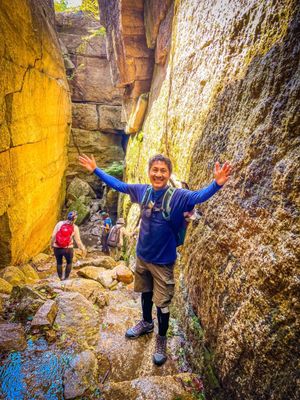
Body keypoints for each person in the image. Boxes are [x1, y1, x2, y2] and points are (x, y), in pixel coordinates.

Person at [79, 153, 232, 366]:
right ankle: (146, 323)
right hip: (142, 256)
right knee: (145, 293)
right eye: (155, 170)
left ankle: (161, 339)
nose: (158, 174)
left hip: (163, 262)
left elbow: (198, 196)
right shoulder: (143, 191)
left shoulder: (178, 196)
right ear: (149, 171)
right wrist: (96, 169)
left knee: (163, 303)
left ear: (168, 174)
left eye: (163, 171)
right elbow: (119, 185)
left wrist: (217, 184)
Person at [51, 211, 86, 280]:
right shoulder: (75, 227)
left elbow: (53, 236)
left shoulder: (59, 224)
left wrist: (52, 244)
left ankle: (60, 278)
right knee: (69, 262)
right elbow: (78, 241)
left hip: (57, 247)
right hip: (68, 248)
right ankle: (66, 278)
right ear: (75, 219)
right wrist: (83, 249)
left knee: (59, 262)